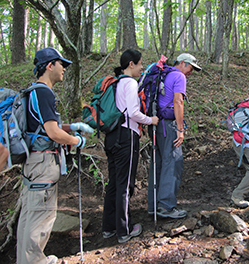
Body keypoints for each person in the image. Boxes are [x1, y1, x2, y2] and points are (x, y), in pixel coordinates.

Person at [17, 47, 94, 264]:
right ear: (50, 65)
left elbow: (44, 127)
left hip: (33, 162)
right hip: (42, 163)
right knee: (40, 217)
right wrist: (76, 140)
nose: (64, 70)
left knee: (29, 216)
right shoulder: (43, 92)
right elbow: (52, 132)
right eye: (62, 65)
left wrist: (71, 127)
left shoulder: (32, 91)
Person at [102, 49, 158, 244]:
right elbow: (134, 113)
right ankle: (124, 230)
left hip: (111, 137)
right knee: (125, 185)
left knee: (114, 183)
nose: (142, 68)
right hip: (126, 136)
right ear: (131, 64)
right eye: (140, 64)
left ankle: (108, 227)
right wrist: (151, 120)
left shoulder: (116, 83)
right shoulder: (130, 83)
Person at [147, 53, 202, 219]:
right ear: (183, 63)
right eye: (191, 68)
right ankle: (166, 206)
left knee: (158, 163)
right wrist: (180, 128)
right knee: (173, 162)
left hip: (155, 123)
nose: (191, 72)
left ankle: (153, 205)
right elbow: (178, 102)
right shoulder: (179, 76)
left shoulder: (163, 74)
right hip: (168, 126)